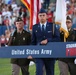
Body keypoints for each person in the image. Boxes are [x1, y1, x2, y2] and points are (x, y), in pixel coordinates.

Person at [31, 8, 60, 75]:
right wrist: (31, 52)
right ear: (38, 17)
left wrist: (48, 40)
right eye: (40, 15)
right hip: (39, 54)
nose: (42, 17)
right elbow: (33, 41)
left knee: (50, 72)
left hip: (50, 54)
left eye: (43, 15)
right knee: (39, 72)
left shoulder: (52, 26)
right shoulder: (35, 27)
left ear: (47, 16)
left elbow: (57, 39)